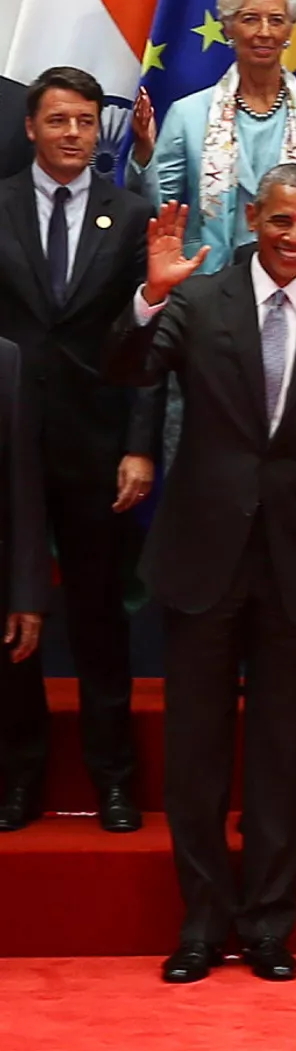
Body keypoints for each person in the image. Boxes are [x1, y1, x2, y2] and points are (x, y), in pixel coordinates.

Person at [108, 166, 296, 986]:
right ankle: (200, 923)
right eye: (282, 220)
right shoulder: (198, 297)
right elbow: (128, 368)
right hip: (202, 557)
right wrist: (150, 297)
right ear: (255, 216)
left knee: (281, 751)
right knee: (195, 752)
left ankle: (266, 924)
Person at [0, 67, 157, 833]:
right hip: (8, 445)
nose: (72, 133)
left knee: (99, 617)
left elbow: (151, 340)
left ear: (101, 131)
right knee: (11, 618)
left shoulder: (130, 215)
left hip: (98, 447)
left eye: (86, 121)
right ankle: (18, 777)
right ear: (31, 126)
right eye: (59, 119)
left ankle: (114, 779)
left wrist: (139, 445)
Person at [128, 0, 296, 271]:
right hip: (208, 279)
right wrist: (144, 154)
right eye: (250, 19)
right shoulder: (188, 114)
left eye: (276, 20)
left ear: (289, 29)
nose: (264, 32)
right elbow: (160, 210)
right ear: (228, 28)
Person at [0, 321, 47, 821]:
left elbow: (24, 483)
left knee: (15, 678)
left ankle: (20, 782)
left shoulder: (6, 359)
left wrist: (28, 593)